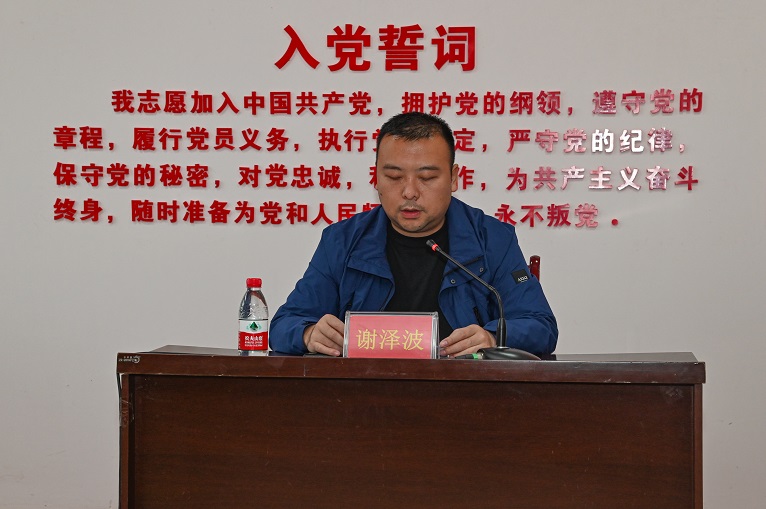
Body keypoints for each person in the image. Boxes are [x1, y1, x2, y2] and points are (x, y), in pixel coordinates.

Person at [270, 112, 557, 357]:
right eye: (394, 177)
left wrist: (493, 337)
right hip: (362, 394)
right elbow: (285, 324)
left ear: (454, 178)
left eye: (427, 177)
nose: (409, 192)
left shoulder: (493, 239)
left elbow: (540, 325)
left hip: (464, 393)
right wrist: (308, 333)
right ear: (376, 177)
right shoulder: (342, 241)